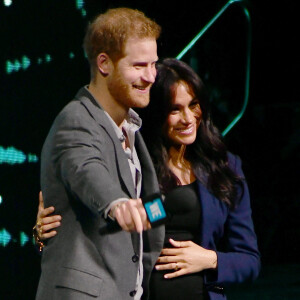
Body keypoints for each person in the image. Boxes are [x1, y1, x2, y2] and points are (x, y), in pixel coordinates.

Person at [36, 58, 260, 300]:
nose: (188, 118)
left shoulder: (225, 168)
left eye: (193, 105)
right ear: (156, 114)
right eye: (175, 109)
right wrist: (43, 235)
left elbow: (250, 262)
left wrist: (209, 259)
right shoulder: (132, 165)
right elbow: (92, 237)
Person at [35, 7, 164, 300]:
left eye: (154, 64)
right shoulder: (76, 119)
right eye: (139, 65)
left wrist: (159, 210)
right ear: (104, 63)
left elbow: (148, 204)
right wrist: (115, 203)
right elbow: (85, 167)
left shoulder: (132, 130)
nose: (151, 76)